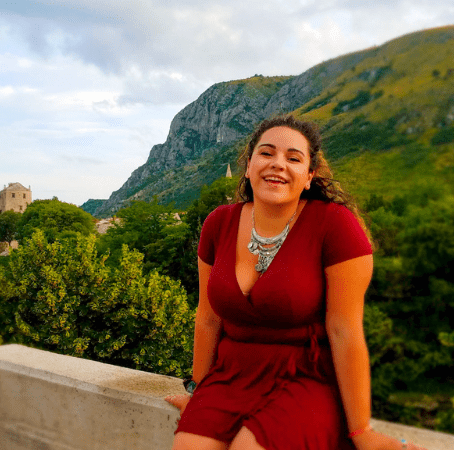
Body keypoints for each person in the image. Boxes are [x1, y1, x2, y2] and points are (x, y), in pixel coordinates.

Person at [165, 115, 428, 450]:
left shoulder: (335, 227)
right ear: (248, 166)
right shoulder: (218, 224)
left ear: (309, 176)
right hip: (232, 375)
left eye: (293, 158)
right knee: (188, 446)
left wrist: (361, 431)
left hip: (308, 377)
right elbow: (208, 318)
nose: (278, 164)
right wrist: (198, 393)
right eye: (267, 153)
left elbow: (345, 331)